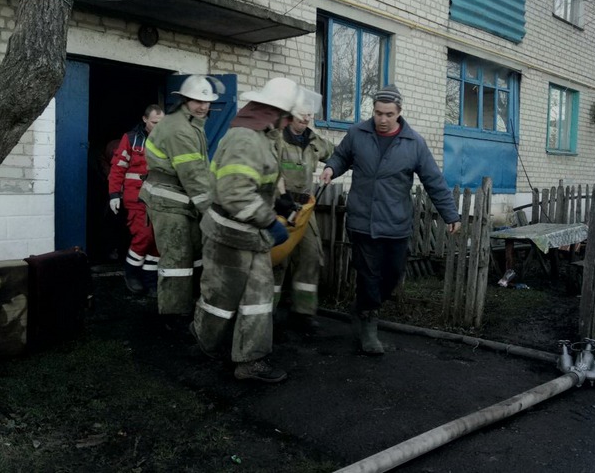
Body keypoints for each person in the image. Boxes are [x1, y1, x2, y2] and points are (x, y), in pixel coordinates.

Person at [191, 77, 319, 383]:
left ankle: (250, 361)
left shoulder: (262, 136)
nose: (289, 121)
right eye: (287, 114)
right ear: (274, 112)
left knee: (259, 298)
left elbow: (265, 176)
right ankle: (204, 338)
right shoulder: (245, 139)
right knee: (219, 299)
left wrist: (283, 200)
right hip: (229, 234)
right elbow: (235, 194)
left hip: (249, 235)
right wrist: (269, 220)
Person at [320, 84, 461, 356]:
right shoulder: (357, 133)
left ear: (399, 113)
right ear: (372, 110)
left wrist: (450, 214)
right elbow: (341, 156)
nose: (382, 120)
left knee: (392, 275)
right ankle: (369, 327)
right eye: (377, 113)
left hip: (395, 223)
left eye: (388, 114)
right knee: (369, 275)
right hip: (362, 221)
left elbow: (433, 180)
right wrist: (330, 168)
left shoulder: (414, 143)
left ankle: (362, 308)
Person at [140, 76, 224, 319]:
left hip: (180, 199)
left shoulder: (192, 124)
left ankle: (189, 306)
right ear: (185, 100)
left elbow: (199, 170)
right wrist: (211, 212)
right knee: (177, 260)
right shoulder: (180, 129)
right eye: (197, 100)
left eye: (206, 101)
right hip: (168, 200)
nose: (202, 106)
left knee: (193, 255)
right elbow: (193, 176)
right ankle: (173, 316)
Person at [273, 101, 333, 334]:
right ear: (289, 114)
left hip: (305, 209)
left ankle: (303, 313)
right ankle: (267, 313)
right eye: (301, 115)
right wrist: (280, 199)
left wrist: (333, 168)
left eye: (309, 115)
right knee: (278, 260)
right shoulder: (277, 138)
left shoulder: (314, 140)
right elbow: (270, 169)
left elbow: (338, 154)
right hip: (280, 206)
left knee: (310, 255)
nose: (306, 119)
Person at [108, 104, 163, 295]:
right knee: (144, 236)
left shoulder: (166, 140)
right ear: (145, 119)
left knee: (157, 239)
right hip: (136, 197)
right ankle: (131, 274)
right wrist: (114, 194)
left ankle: (150, 279)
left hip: (159, 198)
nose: (159, 126)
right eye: (155, 122)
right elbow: (117, 168)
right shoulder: (131, 139)